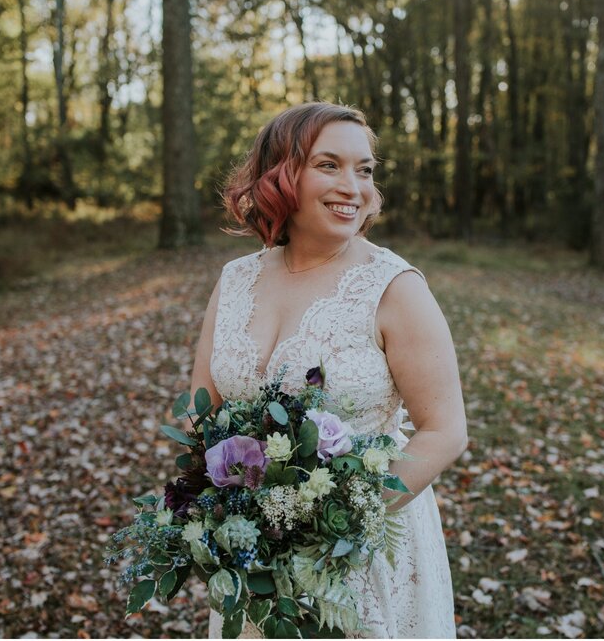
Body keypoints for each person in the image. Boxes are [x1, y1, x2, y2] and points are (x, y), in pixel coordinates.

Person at [190, 102, 468, 638]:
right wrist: (223, 517)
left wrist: (330, 526)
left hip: (358, 554)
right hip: (256, 558)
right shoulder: (236, 280)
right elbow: (205, 415)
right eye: (329, 165)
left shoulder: (394, 287)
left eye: (364, 170)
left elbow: (445, 429)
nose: (353, 187)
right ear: (280, 175)